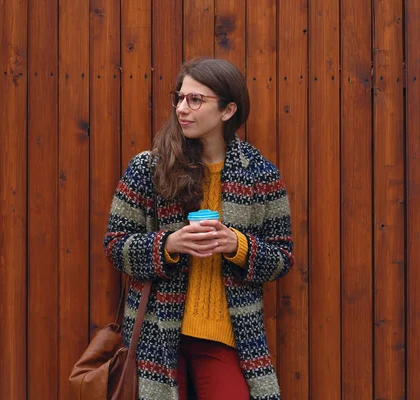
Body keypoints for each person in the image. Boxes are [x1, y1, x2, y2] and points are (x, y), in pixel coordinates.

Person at [104, 57, 294, 400]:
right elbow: (116, 246)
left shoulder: (261, 174)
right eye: (179, 97)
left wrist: (237, 244)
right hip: (157, 334)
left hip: (226, 334)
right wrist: (169, 244)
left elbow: (282, 257)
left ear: (227, 110)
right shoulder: (149, 168)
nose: (181, 108)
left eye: (195, 99)